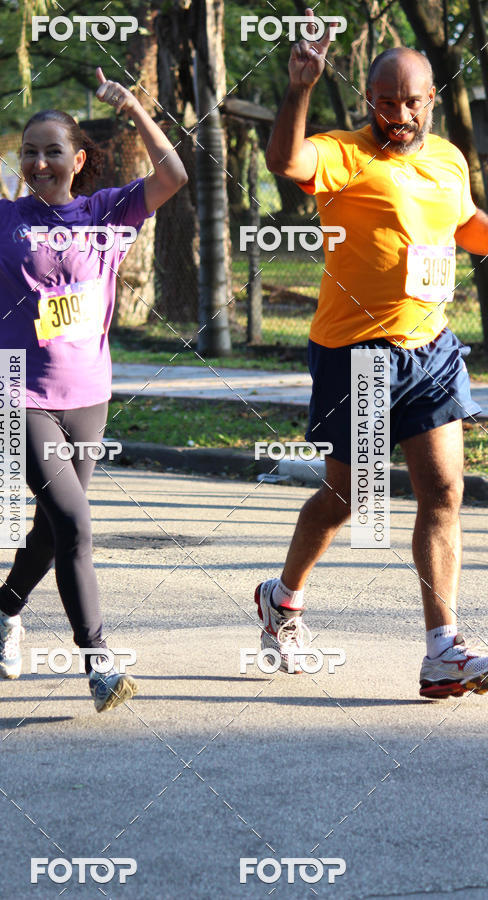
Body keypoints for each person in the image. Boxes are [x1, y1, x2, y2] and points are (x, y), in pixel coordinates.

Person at [0, 67, 187, 712]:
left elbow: (173, 177)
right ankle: (100, 660)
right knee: (77, 524)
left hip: (88, 395)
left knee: (55, 531)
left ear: (78, 160)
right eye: (29, 151)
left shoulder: (107, 212)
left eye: (53, 150)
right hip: (17, 394)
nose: (39, 160)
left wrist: (137, 108)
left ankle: (2, 608)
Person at [260, 10, 488, 698]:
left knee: (444, 491)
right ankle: (282, 598)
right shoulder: (343, 153)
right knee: (345, 497)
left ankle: (442, 649)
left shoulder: (448, 158)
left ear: (429, 100)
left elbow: (467, 224)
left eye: (408, 102)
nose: (396, 114)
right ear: (369, 101)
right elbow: (285, 161)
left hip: (432, 347)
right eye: (384, 102)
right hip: (356, 354)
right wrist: (299, 88)